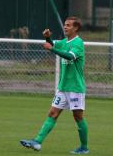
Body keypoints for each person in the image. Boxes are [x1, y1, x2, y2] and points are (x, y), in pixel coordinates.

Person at [20, 16, 89, 154]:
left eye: (68, 25)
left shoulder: (78, 43)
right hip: (63, 87)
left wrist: (51, 49)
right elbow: (53, 44)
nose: (65, 27)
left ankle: (84, 147)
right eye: (65, 24)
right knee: (52, 113)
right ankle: (37, 141)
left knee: (78, 117)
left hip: (75, 88)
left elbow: (69, 56)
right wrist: (47, 38)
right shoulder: (64, 42)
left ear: (75, 28)